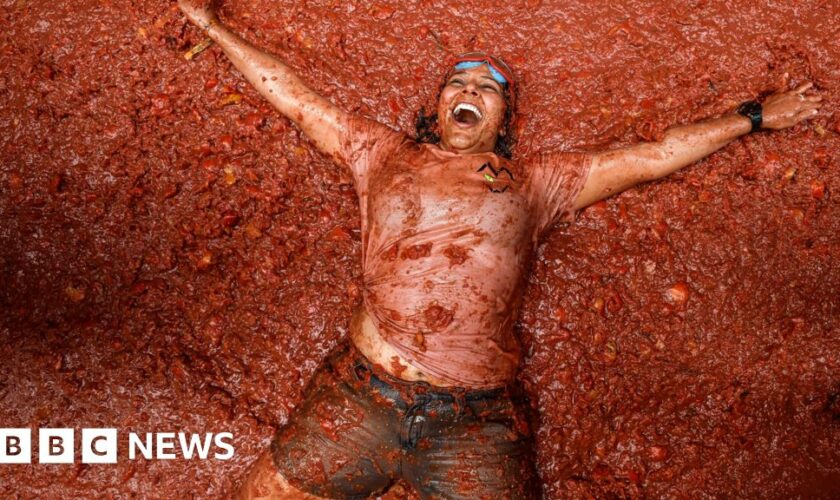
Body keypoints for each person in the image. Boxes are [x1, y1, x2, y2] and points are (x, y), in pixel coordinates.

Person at [177, 1, 823, 498]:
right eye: (458, 84)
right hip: (360, 399)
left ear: (502, 120)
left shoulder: (538, 181)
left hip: (474, 424)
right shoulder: (380, 153)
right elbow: (293, 97)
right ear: (436, 108)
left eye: (488, 89)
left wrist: (755, 116)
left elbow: (653, 157)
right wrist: (210, 23)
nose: (470, 92)